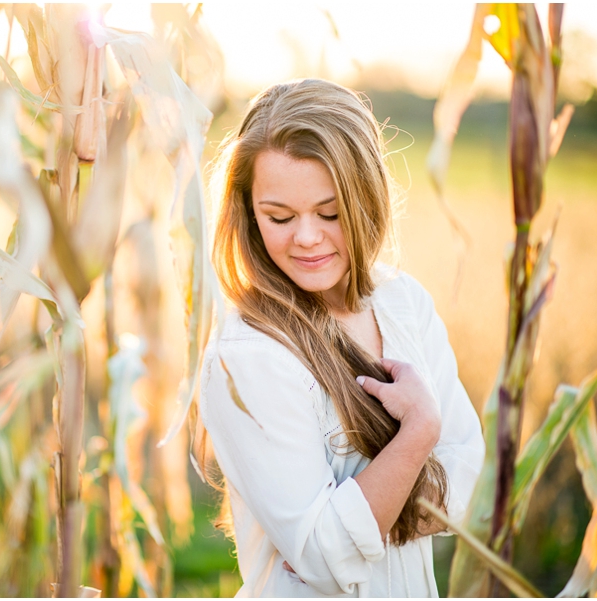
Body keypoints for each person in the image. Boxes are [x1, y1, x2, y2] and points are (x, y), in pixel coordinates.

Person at [199, 79, 485, 597]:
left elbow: (472, 478)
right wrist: (419, 433)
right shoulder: (247, 357)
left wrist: (361, 517)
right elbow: (323, 561)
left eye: (329, 214)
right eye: (279, 217)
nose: (306, 238)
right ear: (248, 211)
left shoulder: (404, 303)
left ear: (366, 199)